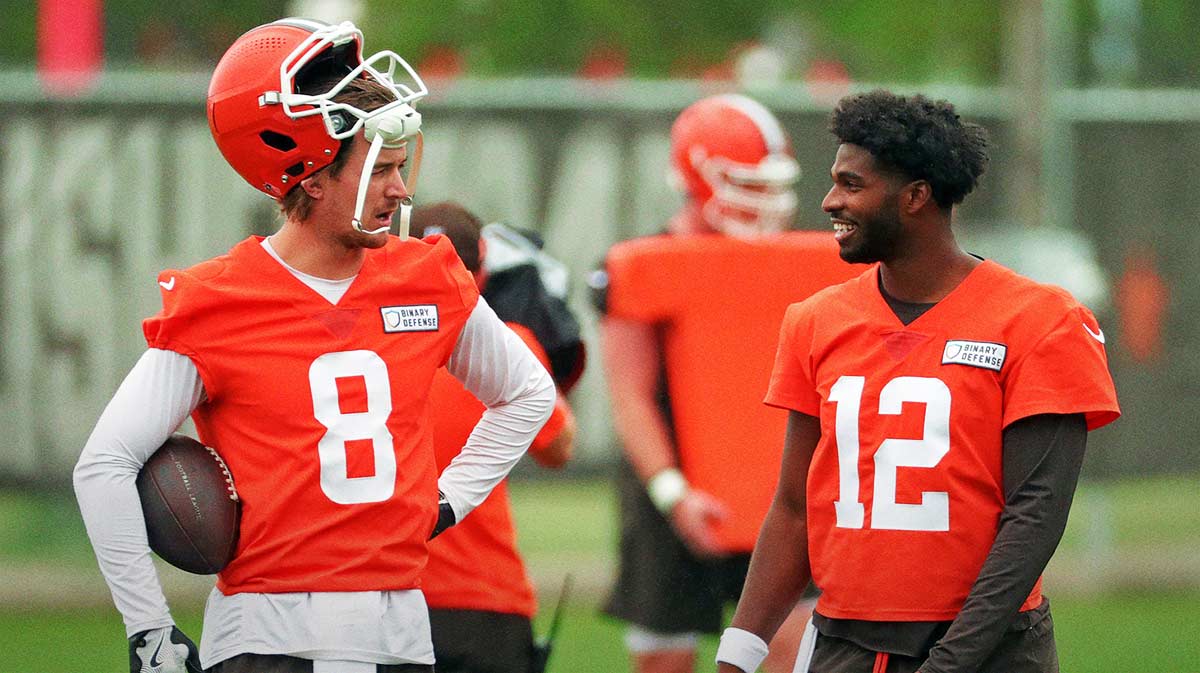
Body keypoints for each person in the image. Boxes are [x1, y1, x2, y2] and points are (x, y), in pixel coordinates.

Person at [73, 18, 555, 673]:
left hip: (401, 637)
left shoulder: (426, 276)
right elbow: (104, 462)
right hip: (268, 638)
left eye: (399, 166)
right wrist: (149, 627)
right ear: (311, 174)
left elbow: (527, 393)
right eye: (380, 168)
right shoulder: (221, 300)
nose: (402, 188)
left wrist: (449, 499)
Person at [714, 90, 1121, 673]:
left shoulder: (1040, 320)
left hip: (988, 646)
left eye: (852, 184)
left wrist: (952, 661)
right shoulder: (815, 320)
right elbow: (796, 508)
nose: (830, 201)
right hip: (845, 642)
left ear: (915, 197)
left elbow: (1035, 514)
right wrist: (739, 652)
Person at [594, 94, 858, 673]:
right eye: (746, 181)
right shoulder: (649, 262)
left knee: (792, 649)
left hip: (777, 492)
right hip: (672, 488)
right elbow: (630, 394)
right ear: (697, 174)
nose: (762, 198)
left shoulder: (805, 263)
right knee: (665, 659)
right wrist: (673, 493)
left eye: (768, 182)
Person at [410, 202, 584, 673]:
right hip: (482, 598)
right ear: (481, 268)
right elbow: (559, 448)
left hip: (379, 593)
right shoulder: (513, 344)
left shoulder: (357, 343)